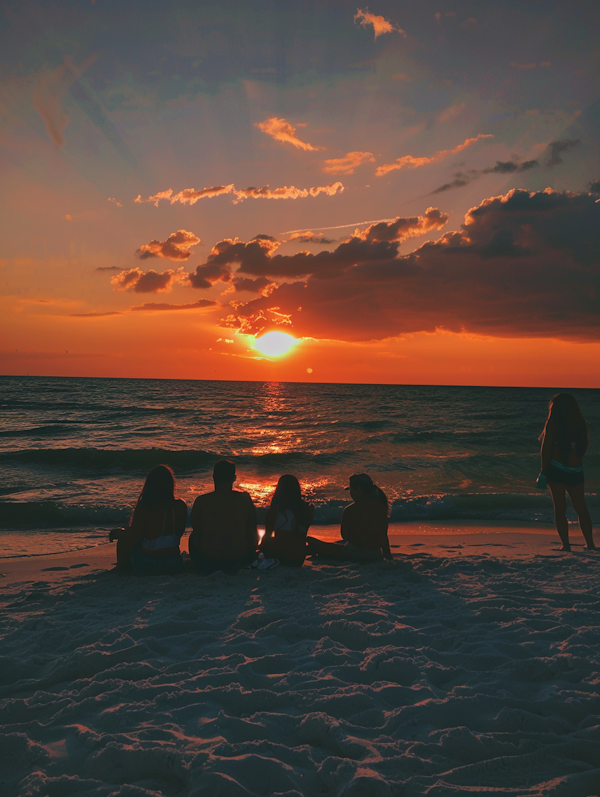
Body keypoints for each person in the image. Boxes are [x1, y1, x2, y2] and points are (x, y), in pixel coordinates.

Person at [539, 393, 595, 552]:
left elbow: (545, 449)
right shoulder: (579, 422)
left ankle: (566, 545)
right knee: (581, 507)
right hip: (576, 470)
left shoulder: (553, 422)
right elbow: (583, 446)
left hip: (556, 469)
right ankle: (590, 544)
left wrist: (544, 470)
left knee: (560, 508)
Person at [111, 464, 187, 575]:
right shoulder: (181, 505)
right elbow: (179, 532)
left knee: (124, 539)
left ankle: (121, 568)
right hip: (174, 562)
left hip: (149, 564)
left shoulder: (146, 506)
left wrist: (118, 533)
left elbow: (134, 535)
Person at [189, 459, 259, 574]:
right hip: (238, 558)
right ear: (234, 478)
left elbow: (197, 529)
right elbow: (252, 529)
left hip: (209, 559)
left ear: (214, 477)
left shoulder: (201, 501)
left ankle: (198, 566)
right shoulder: (245, 499)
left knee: (193, 536)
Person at [306, 473, 392, 562]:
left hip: (354, 554)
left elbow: (345, 535)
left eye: (351, 490)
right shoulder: (381, 507)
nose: (350, 494)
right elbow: (383, 536)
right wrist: (388, 555)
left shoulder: (350, 510)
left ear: (358, 490)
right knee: (331, 546)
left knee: (311, 541)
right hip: (375, 554)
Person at [260, 475, 314, 567]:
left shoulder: (275, 510)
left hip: (280, 555)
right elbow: (302, 533)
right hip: (299, 557)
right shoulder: (307, 508)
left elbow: (267, 536)